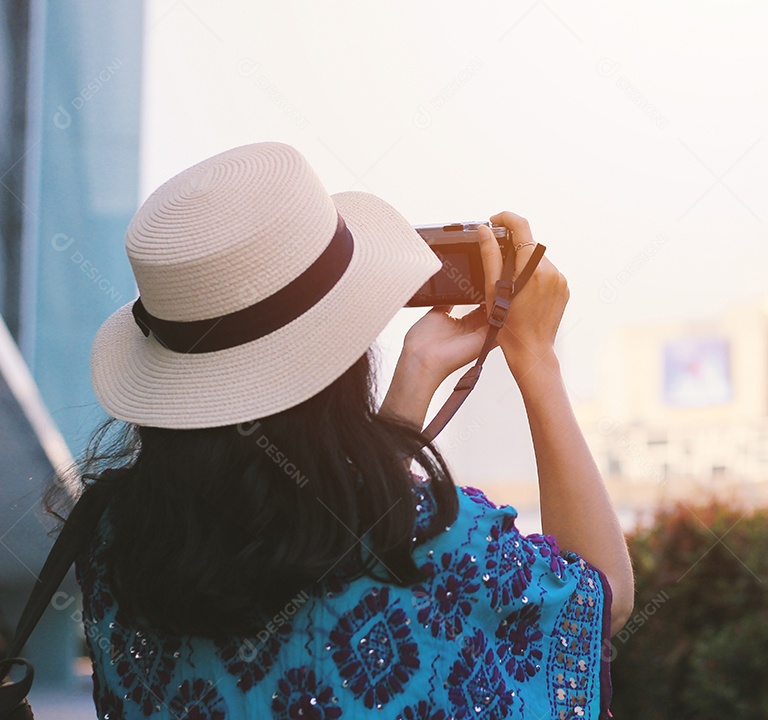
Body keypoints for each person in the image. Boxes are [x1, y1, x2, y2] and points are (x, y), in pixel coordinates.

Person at [65, 141, 634, 719]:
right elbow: (597, 600)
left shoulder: (111, 541)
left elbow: (327, 519)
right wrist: (536, 358)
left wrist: (415, 379)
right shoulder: (441, 544)